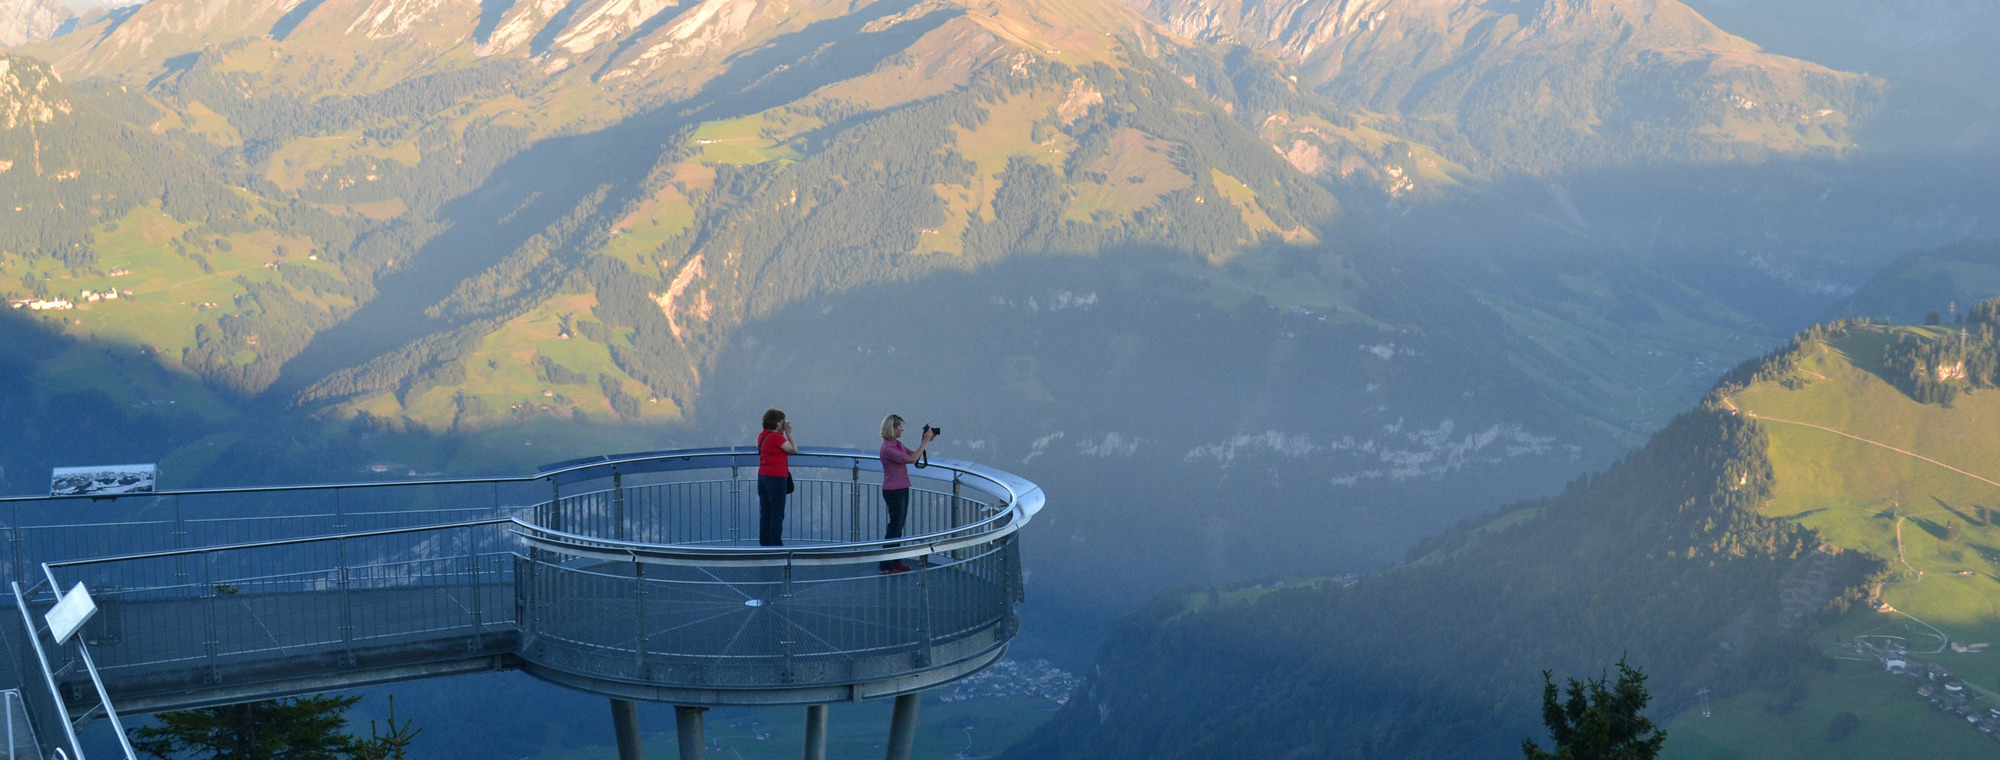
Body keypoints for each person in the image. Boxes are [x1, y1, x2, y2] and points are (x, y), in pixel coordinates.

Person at [877, 414, 935, 573]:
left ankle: (895, 561)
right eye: (900, 427)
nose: (902, 429)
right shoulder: (888, 448)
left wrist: (926, 441)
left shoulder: (896, 444)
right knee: (894, 527)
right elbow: (910, 460)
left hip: (901, 488)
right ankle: (885, 565)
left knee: (898, 527)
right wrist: (924, 442)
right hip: (893, 491)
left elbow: (913, 456)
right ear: (892, 428)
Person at [756, 408, 799, 546]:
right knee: (777, 513)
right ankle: (775, 545)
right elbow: (793, 450)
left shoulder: (762, 435)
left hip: (762, 477)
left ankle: (765, 544)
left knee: (766, 513)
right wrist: (789, 433)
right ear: (777, 422)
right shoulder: (776, 437)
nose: (783, 425)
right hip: (776, 477)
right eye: (782, 422)